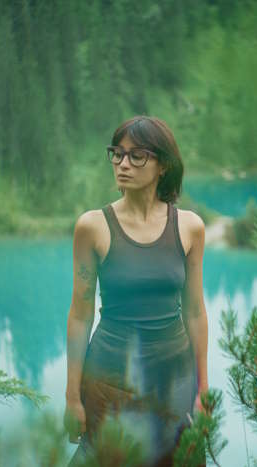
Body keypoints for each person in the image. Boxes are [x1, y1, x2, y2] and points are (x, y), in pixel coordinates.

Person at [64, 116, 209, 466]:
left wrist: (204, 390)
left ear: (163, 165)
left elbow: (195, 312)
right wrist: (72, 396)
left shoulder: (190, 227)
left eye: (137, 156)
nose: (123, 164)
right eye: (117, 154)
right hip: (108, 378)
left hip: (174, 377)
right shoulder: (92, 227)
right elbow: (80, 315)